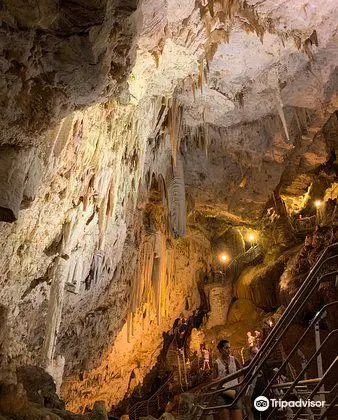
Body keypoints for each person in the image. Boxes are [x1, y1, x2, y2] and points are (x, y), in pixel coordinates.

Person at [212, 339, 243, 420]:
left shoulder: (234, 359)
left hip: (234, 391)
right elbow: (213, 380)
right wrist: (217, 379)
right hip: (223, 392)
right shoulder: (217, 363)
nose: (229, 350)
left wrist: (240, 383)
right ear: (221, 349)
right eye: (226, 348)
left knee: (237, 416)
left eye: (229, 348)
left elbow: (242, 372)